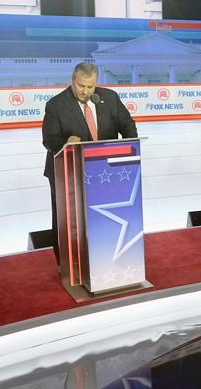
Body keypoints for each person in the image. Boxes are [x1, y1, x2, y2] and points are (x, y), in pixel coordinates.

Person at [42, 62, 138, 258]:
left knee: (104, 218)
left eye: (90, 87)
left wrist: (130, 147)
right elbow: (49, 140)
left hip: (106, 170)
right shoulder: (56, 105)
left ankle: (105, 256)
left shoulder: (109, 97)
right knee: (70, 222)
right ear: (72, 80)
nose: (85, 91)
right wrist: (65, 143)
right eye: (81, 86)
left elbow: (128, 125)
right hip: (69, 173)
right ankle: (68, 264)